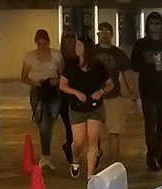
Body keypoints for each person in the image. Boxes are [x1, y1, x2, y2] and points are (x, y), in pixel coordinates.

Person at [131, 12, 162, 170]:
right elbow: (135, 65)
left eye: (158, 23)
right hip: (147, 90)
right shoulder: (141, 45)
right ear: (147, 25)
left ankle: (159, 155)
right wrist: (150, 64)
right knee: (150, 123)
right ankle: (151, 155)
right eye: (152, 23)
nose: (155, 27)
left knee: (161, 125)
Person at [60, 35, 113, 180]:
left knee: (92, 140)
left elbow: (110, 83)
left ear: (86, 49)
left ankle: (91, 175)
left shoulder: (98, 66)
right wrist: (76, 92)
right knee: (78, 142)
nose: (76, 48)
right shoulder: (71, 64)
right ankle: (75, 159)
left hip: (95, 108)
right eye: (76, 45)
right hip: (77, 108)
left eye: (79, 45)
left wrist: (100, 92)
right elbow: (62, 85)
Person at [20, 29, 64, 170]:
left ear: (49, 42)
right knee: (43, 123)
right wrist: (36, 82)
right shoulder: (30, 57)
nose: (43, 46)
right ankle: (46, 155)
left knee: (51, 119)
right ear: (36, 43)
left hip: (53, 91)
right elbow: (24, 77)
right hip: (37, 91)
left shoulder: (56, 55)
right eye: (40, 43)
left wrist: (55, 81)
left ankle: (46, 153)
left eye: (45, 43)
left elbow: (63, 75)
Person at [95, 21, 136, 166]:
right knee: (93, 133)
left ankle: (113, 161)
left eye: (107, 32)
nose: (104, 35)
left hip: (113, 97)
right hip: (94, 98)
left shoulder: (118, 54)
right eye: (101, 32)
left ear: (112, 35)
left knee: (114, 131)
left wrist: (133, 94)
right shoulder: (91, 52)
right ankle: (96, 155)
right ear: (98, 34)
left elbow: (127, 73)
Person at [57, 28, 78, 164]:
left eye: (72, 36)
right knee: (70, 126)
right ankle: (70, 149)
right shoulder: (59, 57)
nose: (69, 39)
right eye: (66, 37)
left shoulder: (80, 56)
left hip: (78, 96)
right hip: (64, 97)